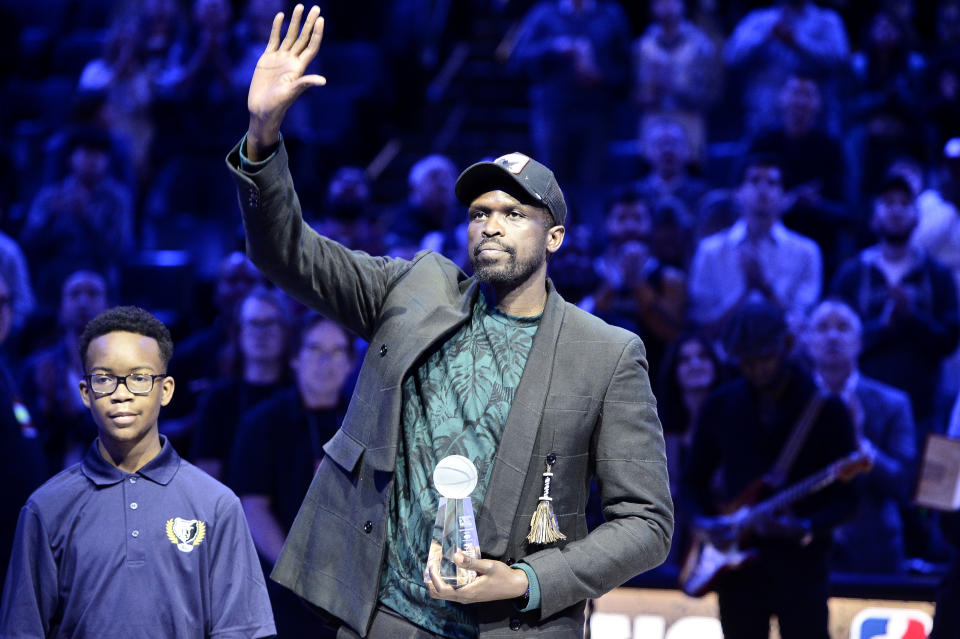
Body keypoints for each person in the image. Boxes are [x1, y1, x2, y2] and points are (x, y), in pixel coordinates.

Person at [227, 6, 672, 637]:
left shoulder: (605, 353)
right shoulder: (414, 289)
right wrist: (263, 134)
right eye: (480, 211)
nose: (491, 223)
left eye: (515, 213)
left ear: (556, 238)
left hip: (513, 623)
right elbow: (288, 252)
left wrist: (529, 581)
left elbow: (647, 524)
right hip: (391, 615)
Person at [0, 306, 275, 638]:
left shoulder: (216, 505)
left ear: (167, 390)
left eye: (140, 378)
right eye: (104, 378)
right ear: (86, 393)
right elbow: (22, 630)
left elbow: (242, 630)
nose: (121, 393)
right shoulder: (46, 508)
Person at [681, 299, 860, 639]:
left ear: (787, 345)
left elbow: (848, 499)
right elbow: (691, 482)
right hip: (737, 571)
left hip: (802, 569)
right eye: (747, 361)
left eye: (765, 358)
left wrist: (806, 526)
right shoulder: (721, 405)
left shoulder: (826, 409)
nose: (756, 369)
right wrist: (704, 525)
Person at [230, 313, 355, 638]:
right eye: (315, 350)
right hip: (284, 587)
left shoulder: (365, 422)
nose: (326, 362)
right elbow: (253, 506)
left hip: (352, 586)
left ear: (349, 364)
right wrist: (297, 570)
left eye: (336, 352)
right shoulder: (262, 423)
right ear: (297, 359)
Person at [802, 299, 916, 574]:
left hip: (873, 545)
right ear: (807, 341)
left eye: (843, 328)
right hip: (803, 543)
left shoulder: (893, 403)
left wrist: (859, 441)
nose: (832, 336)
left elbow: (905, 485)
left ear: (860, 341)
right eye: (822, 328)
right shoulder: (793, 401)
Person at [687, 153, 822, 336]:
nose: (763, 188)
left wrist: (764, 286)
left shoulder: (807, 251)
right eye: (754, 180)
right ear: (737, 193)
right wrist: (746, 291)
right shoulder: (709, 250)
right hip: (723, 356)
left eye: (772, 183)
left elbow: (800, 323)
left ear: (784, 197)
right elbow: (704, 324)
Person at [190, 286, 292, 482]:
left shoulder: (301, 395)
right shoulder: (218, 399)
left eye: (270, 323)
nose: (261, 333)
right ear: (239, 331)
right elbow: (206, 475)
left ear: (286, 331)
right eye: (253, 323)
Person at [21, 270, 108, 472]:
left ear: (107, 307)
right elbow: (23, 426)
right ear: (62, 308)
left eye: (93, 294)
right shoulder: (38, 368)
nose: (83, 302)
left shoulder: (122, 371)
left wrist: (77, 414)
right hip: (49, 478)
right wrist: (42, 409)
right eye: (75, 294)